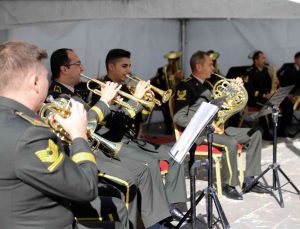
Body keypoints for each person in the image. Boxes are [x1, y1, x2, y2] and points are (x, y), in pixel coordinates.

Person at [48, 48, 171, 229]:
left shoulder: (78, 90)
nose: (83, 68)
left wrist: (114, 103)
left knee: (144, 168)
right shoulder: (57, 96)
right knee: (130, 178)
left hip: (99, 147)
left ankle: (152, 223)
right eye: (77, 64)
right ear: (64, 69)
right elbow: (88, 125)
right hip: (83, 154)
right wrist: (105, 102)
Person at [0, 41, 99, 228]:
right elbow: (86, 187)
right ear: (36, 83)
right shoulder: (28, 136)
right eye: (46, 76)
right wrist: (79, 135)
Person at [91, 48, 188, 223]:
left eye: (130, 65)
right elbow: (115, 123)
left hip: (132, 140)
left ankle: (172, 205)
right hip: (116, 143)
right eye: (124, 66)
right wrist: (136, 100)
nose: (129, 70)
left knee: (175, 154)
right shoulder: (100, 89)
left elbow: (138, 118)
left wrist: (146, 104)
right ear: (111, 67)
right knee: (149, 164)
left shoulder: (127, 86)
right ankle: (156, 217)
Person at [173, 50, 267, 200]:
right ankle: (228, 184)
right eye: (210, 65)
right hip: (201, 133)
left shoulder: (209, 84)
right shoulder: (185, 86)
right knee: (231, 143)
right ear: (198, 67)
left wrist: (234, 88)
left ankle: (249, 179)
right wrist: (203, 124)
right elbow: (179, 117)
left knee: (255, 133)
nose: (213, 68)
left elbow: (220, 100)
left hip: (218, 127)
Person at [245, 51, 294, 139]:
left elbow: (269, 85)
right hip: (255, 99)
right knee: (267, 105)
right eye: (262, 58)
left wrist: (276, 83)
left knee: (287, 103)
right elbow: (249, 90)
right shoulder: (250, 72)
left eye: (265, 58)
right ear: (256, 60)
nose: (265, 60)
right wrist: (264, 95)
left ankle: (281, 130)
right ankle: (266, 132)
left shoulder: (265, 70)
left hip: (268, 96)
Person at [150, 51, 184, 134]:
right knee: (166, 108)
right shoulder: (162, 69)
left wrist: (179, 78)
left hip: (177, 95)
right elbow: (155, 81)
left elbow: (183, 84)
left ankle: (179, 127)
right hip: (165, 94)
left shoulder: (179, 71)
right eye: (171, 60)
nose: (172, 62)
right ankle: (169, 127)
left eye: (175, 60)